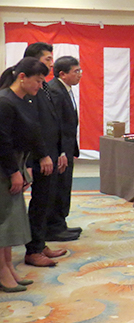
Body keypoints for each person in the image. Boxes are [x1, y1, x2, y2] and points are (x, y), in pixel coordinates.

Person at [0, 57, 49, 291]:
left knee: (11, 219)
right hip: (4, 166)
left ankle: (8, 266)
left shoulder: (23, 100)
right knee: (3, 220)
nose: (40, 86)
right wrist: (13, 172)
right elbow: (3, 142)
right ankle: (2, 271)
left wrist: (26, 166)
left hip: (16, 163)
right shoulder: (4, 101)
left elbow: (30, 135)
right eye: (37, 81)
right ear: (22, 77)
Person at [23, 42, 73, 268]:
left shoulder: (43, 85)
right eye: (47, 59)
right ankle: (33, 250)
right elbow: (31, 124)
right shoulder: (25, 86)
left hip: (50, 152)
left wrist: (60, 150)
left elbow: (53, 121)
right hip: (37, 154)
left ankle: (39, 243)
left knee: (45, 200)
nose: (52, 64)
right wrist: (40, 155)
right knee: (38, 201)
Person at [47, 56, 83, 237]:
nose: (80, 75)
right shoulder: (55, 90)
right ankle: (54, 227)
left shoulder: (65, 89)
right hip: (59, 150)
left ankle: (61, 223)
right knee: (58, 187)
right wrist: (61, 151)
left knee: (64, 186)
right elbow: (56, 124)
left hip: (66, 147)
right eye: (76, 71)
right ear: (62, 74)